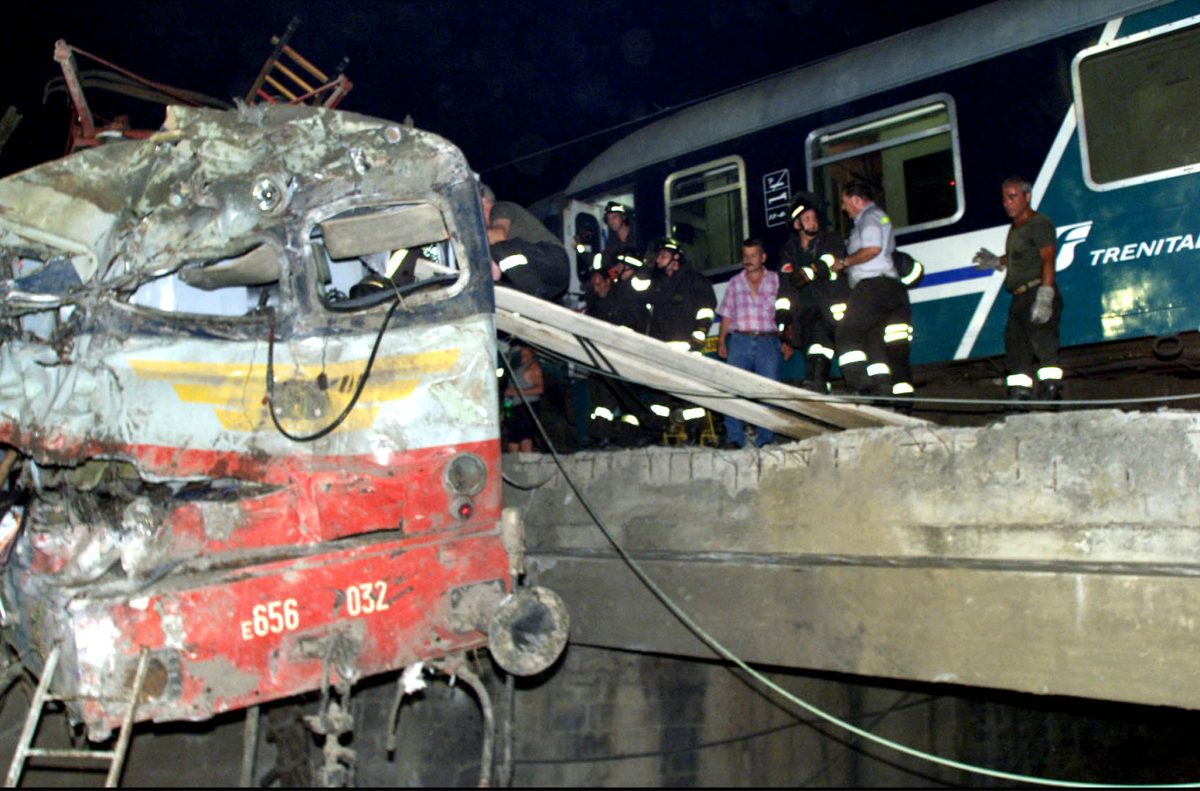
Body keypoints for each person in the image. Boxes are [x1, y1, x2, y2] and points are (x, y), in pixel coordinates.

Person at [973, 175, 1063, 403]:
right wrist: (997, 261)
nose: (1007, 203)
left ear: (1027, 197)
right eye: (1004, 198)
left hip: (1036, 292)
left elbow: (1047, 259)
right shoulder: (1015, 228)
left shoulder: (1039, 224)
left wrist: (1046, 295)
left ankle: (1051, 395)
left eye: (1013, 197)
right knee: (1016, 349)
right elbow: (1017, 256)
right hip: (1019, 298)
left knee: (1044, 347)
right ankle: (1019, 398)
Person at [829, 182, 914, 400]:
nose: (843, 208)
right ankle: (886, 391)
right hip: (892, 290)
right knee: (878, 342)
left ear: (856, 200)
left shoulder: (869, 218)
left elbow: (872, 249)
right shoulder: (879, 217)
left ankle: (858, 385)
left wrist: (845, 262)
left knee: (846, 333)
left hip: (872, 288)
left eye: (845, 203)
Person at [717, 239, 790, 448]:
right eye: (745, 256)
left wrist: (786, 341)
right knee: (732, 389)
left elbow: (786, 314)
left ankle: (765, 438)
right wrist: (722, 341)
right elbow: (727, 315)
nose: (748, 260)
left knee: (768, 392)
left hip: (768, 341)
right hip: (740, 340)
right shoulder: (734, 282)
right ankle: (735, 438)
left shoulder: (776, 280)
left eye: (753, 255)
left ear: (763, 257)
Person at [644, 237, 717, 439]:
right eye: (657, 256)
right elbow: (639, 293)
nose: (659, 259)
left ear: (676, 257)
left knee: (691, 395)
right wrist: (646, 266)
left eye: (663, 255)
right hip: (661, 351)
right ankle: (660, 433)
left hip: (687, 349)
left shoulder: (694, 281)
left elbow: (706, 310)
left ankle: (695, 433)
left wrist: (699, 335)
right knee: (660, 398)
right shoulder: (656, 284)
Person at [777, 191, 849, 393]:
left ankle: (818, 385)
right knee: (814, 352)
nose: (813, 222)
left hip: (831, 309)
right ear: (797, 224)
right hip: (805, 314)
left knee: (821, 348)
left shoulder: (831, 239)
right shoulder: (789, 252)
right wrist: (783, 323)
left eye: (814, 217)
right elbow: (785, 290)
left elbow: (830, 260)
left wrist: (810, 272)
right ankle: (819, 391)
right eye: (807, 218)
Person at [481, 183, 569, 302]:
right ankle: (538, 298)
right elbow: (494, 274)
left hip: (553, 260)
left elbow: (499, 235)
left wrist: (469, 234)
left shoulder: (500, 208)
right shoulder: (494, 242)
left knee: (499, 248)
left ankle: (536, 295)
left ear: (483, 201)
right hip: (551, 285)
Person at [503, 344, 544, 453]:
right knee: (512, 441)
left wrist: (518, 392)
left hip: (527, 406)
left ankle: (528, 464)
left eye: (525, 349)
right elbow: (509, 391)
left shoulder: (533, 366)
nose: (522, 352)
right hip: (514, 408)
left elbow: (540, 389)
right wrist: (506, 410)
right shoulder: (515, 368)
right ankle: (514, 468)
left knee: (525, 439)